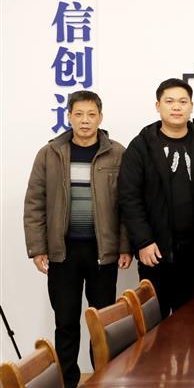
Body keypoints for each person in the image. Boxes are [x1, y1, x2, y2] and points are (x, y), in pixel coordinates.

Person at [23, 90, 131, 388]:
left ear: (100, 117)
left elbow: (126, 204)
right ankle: (67, 381)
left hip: (102, 252)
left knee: (102, 323)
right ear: (68, 116)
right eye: (79, 114)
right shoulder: (50, 154)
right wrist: (38, 248)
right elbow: (35, 202)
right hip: (63, 251)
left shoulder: (117, 153)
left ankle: (103, 379)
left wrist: (125, 246)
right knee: (66, 321)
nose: (85, 120)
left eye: (91, 114)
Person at [118, 78, 194, 317]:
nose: (176, 107)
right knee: (156, 326)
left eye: (183, 102)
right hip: (155, 252)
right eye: (170, 101)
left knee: (193, 323)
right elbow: (129, 197)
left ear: (191, 106)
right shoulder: (141, 146)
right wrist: (143, 241)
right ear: (158, 106)